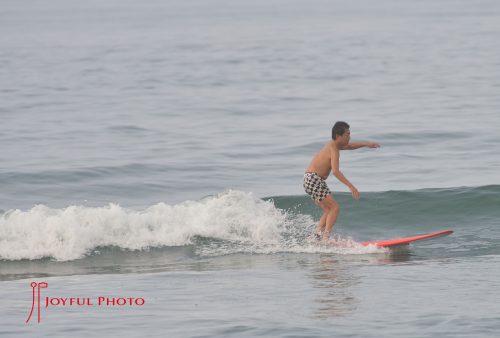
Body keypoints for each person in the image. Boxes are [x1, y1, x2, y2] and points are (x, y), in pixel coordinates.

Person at [303, 121, 380, 241]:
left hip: (310, 178)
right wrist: (351, 186)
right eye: (347, 134)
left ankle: (317, 235)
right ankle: (325, 238)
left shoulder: (333, 145)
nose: (349, 137)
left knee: (328, 209)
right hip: (314, 179)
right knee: (335, 208)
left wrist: (366, 144)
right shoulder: (333, 149)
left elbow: (350, 146)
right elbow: (335, 171)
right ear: (339, 136)